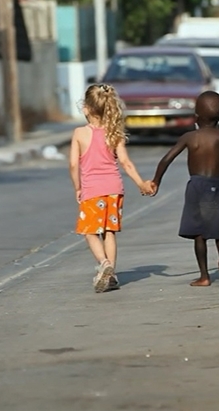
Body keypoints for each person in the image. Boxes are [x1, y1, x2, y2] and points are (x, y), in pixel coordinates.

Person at [70, 83, 154, 293]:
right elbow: (125, 163)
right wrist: (141, 183)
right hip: (114, 189)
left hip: (92, 190)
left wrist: (78, 187)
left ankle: (104, 263)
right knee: (109, 232)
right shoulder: (113, 132)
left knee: (90, 231)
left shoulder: (80, 133)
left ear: (86, 108)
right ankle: (112, 275)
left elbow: (73, 164)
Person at [150, 91, 219, 287]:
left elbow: (167, 159)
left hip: (196, 186)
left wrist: (156, 180)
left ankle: (205, 276)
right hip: (216, 186)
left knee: (199, 233)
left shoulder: (190, 137)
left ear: (196, 117)